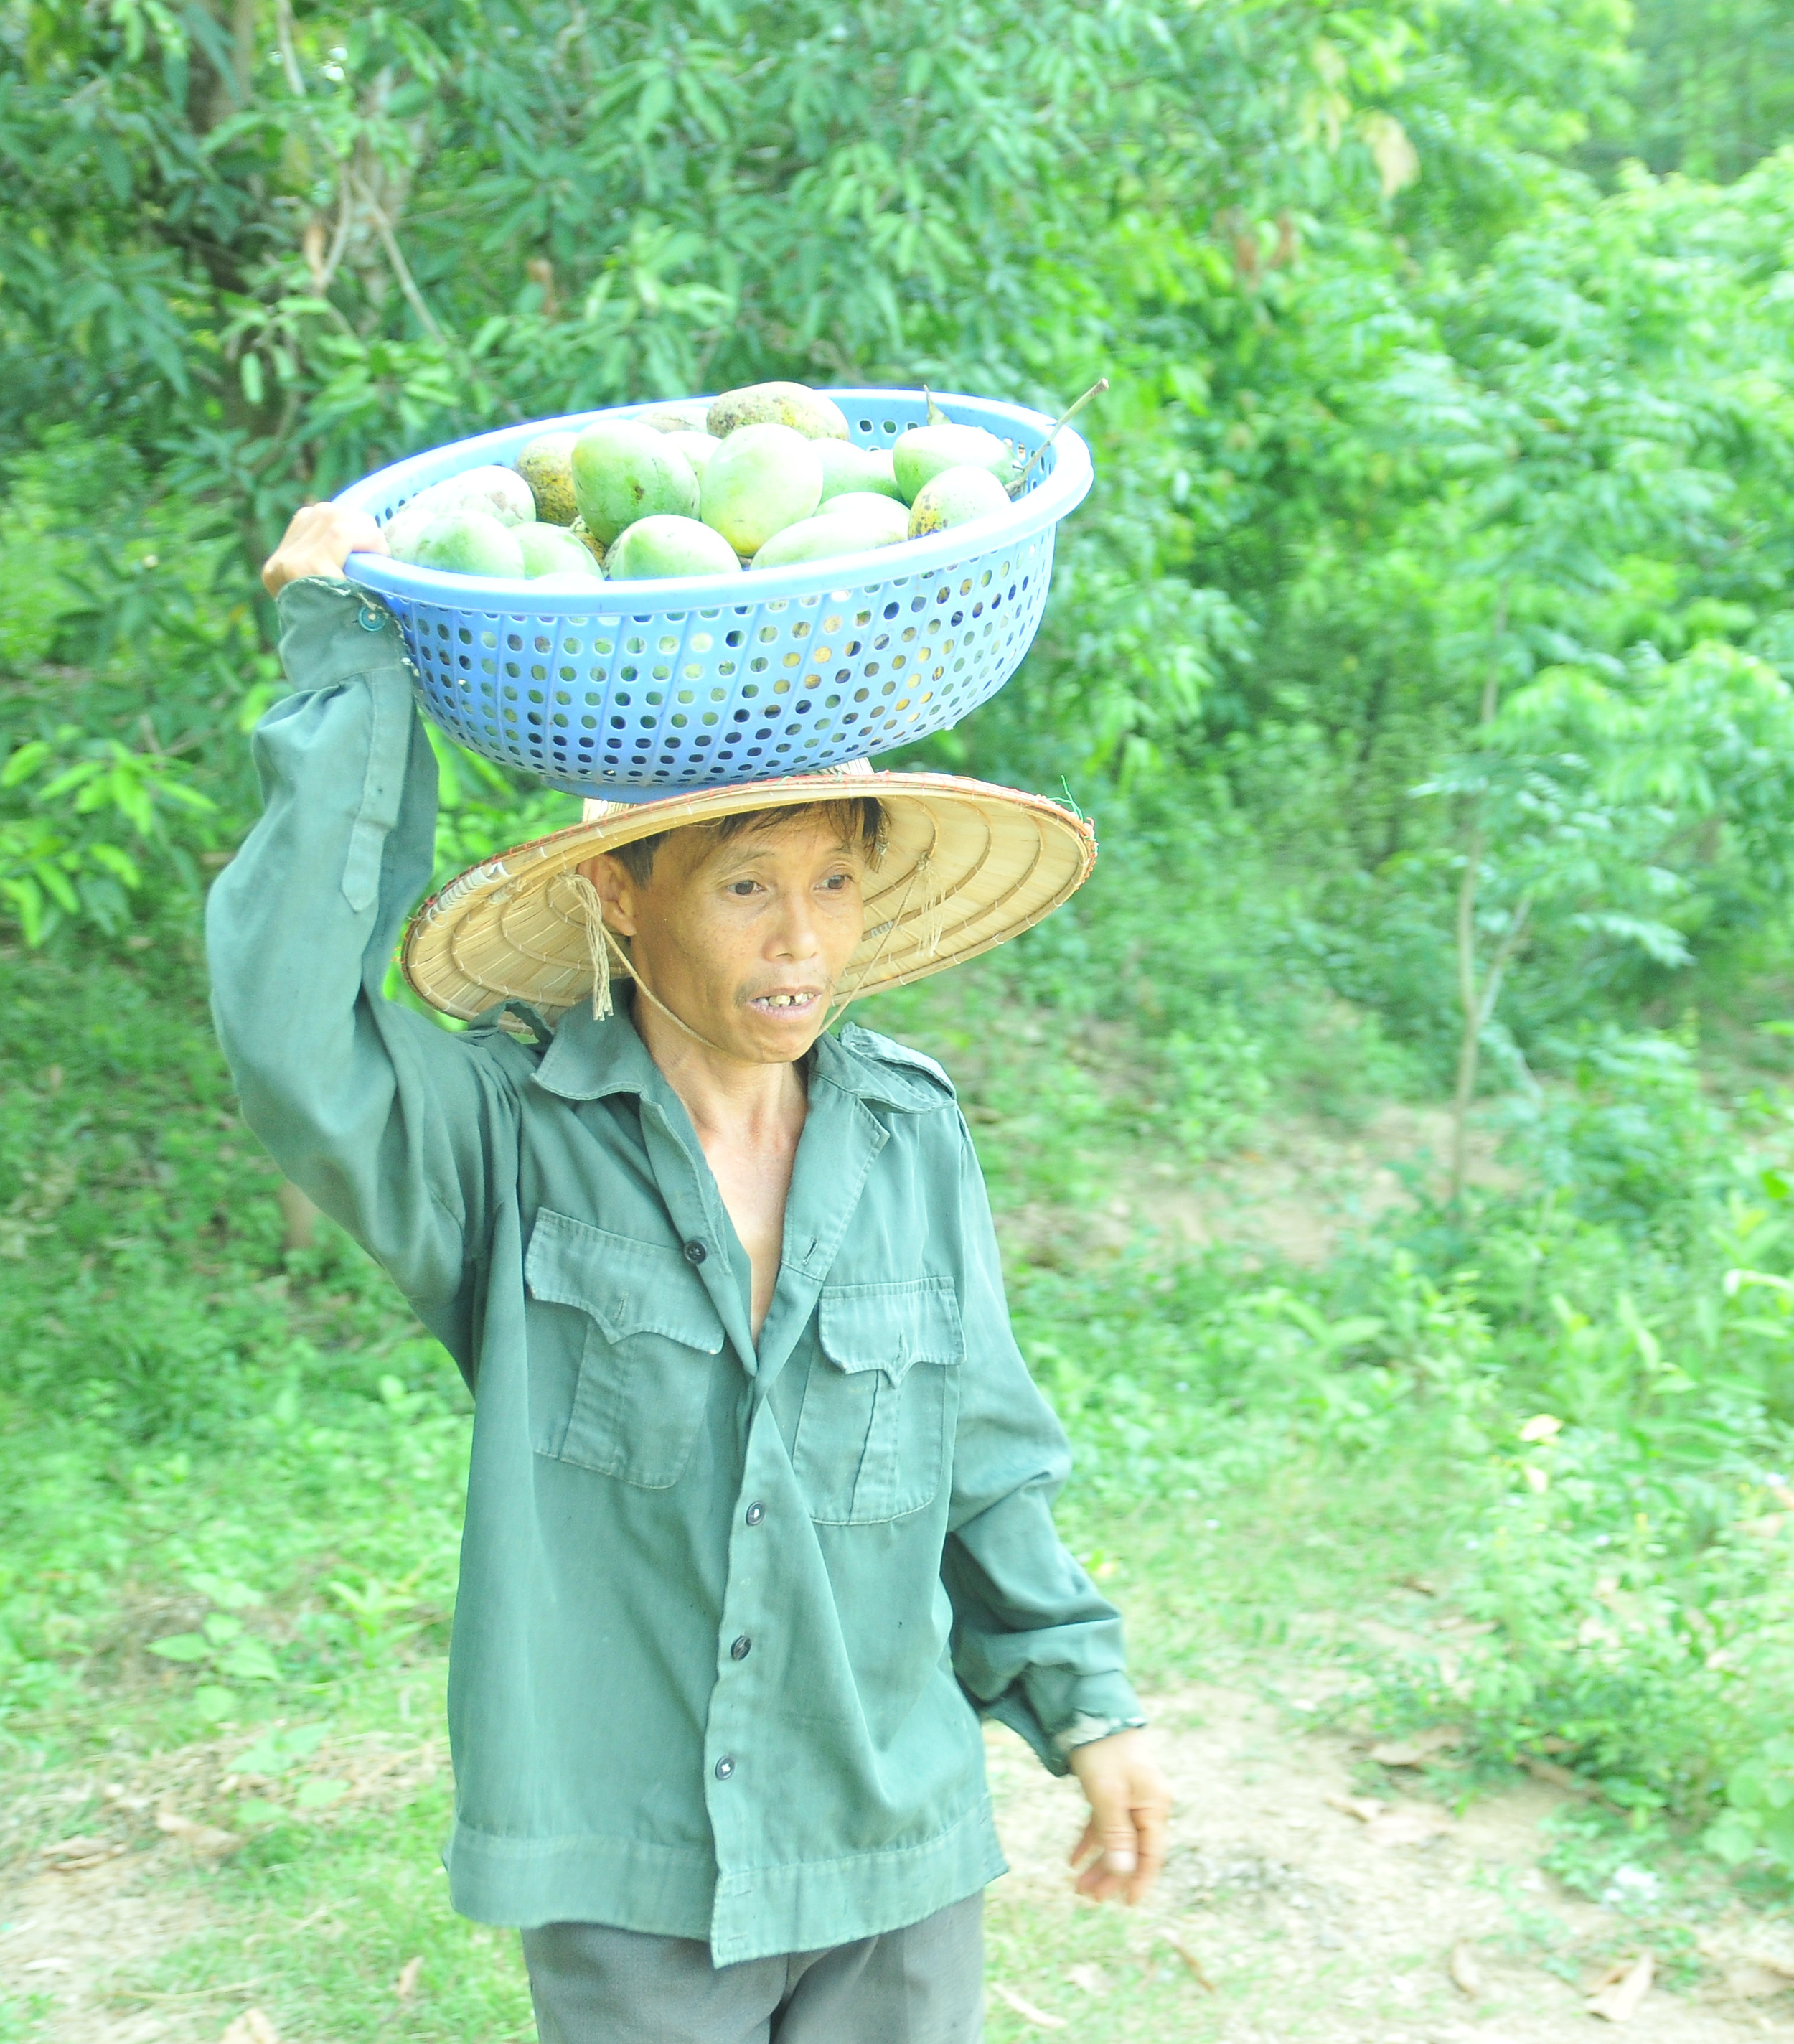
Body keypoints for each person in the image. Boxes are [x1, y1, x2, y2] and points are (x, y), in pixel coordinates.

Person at [207, 503, 1171, 2043]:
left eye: (836, 884)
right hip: (631, 1864)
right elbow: (287, 1029)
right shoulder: (503, 1137)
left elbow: (975, 1458)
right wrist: (346, 668)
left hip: (889, 1844)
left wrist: (1082, 1699)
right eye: (743, 885)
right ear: (618, 891)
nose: (803, 940)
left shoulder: (910, 1135)